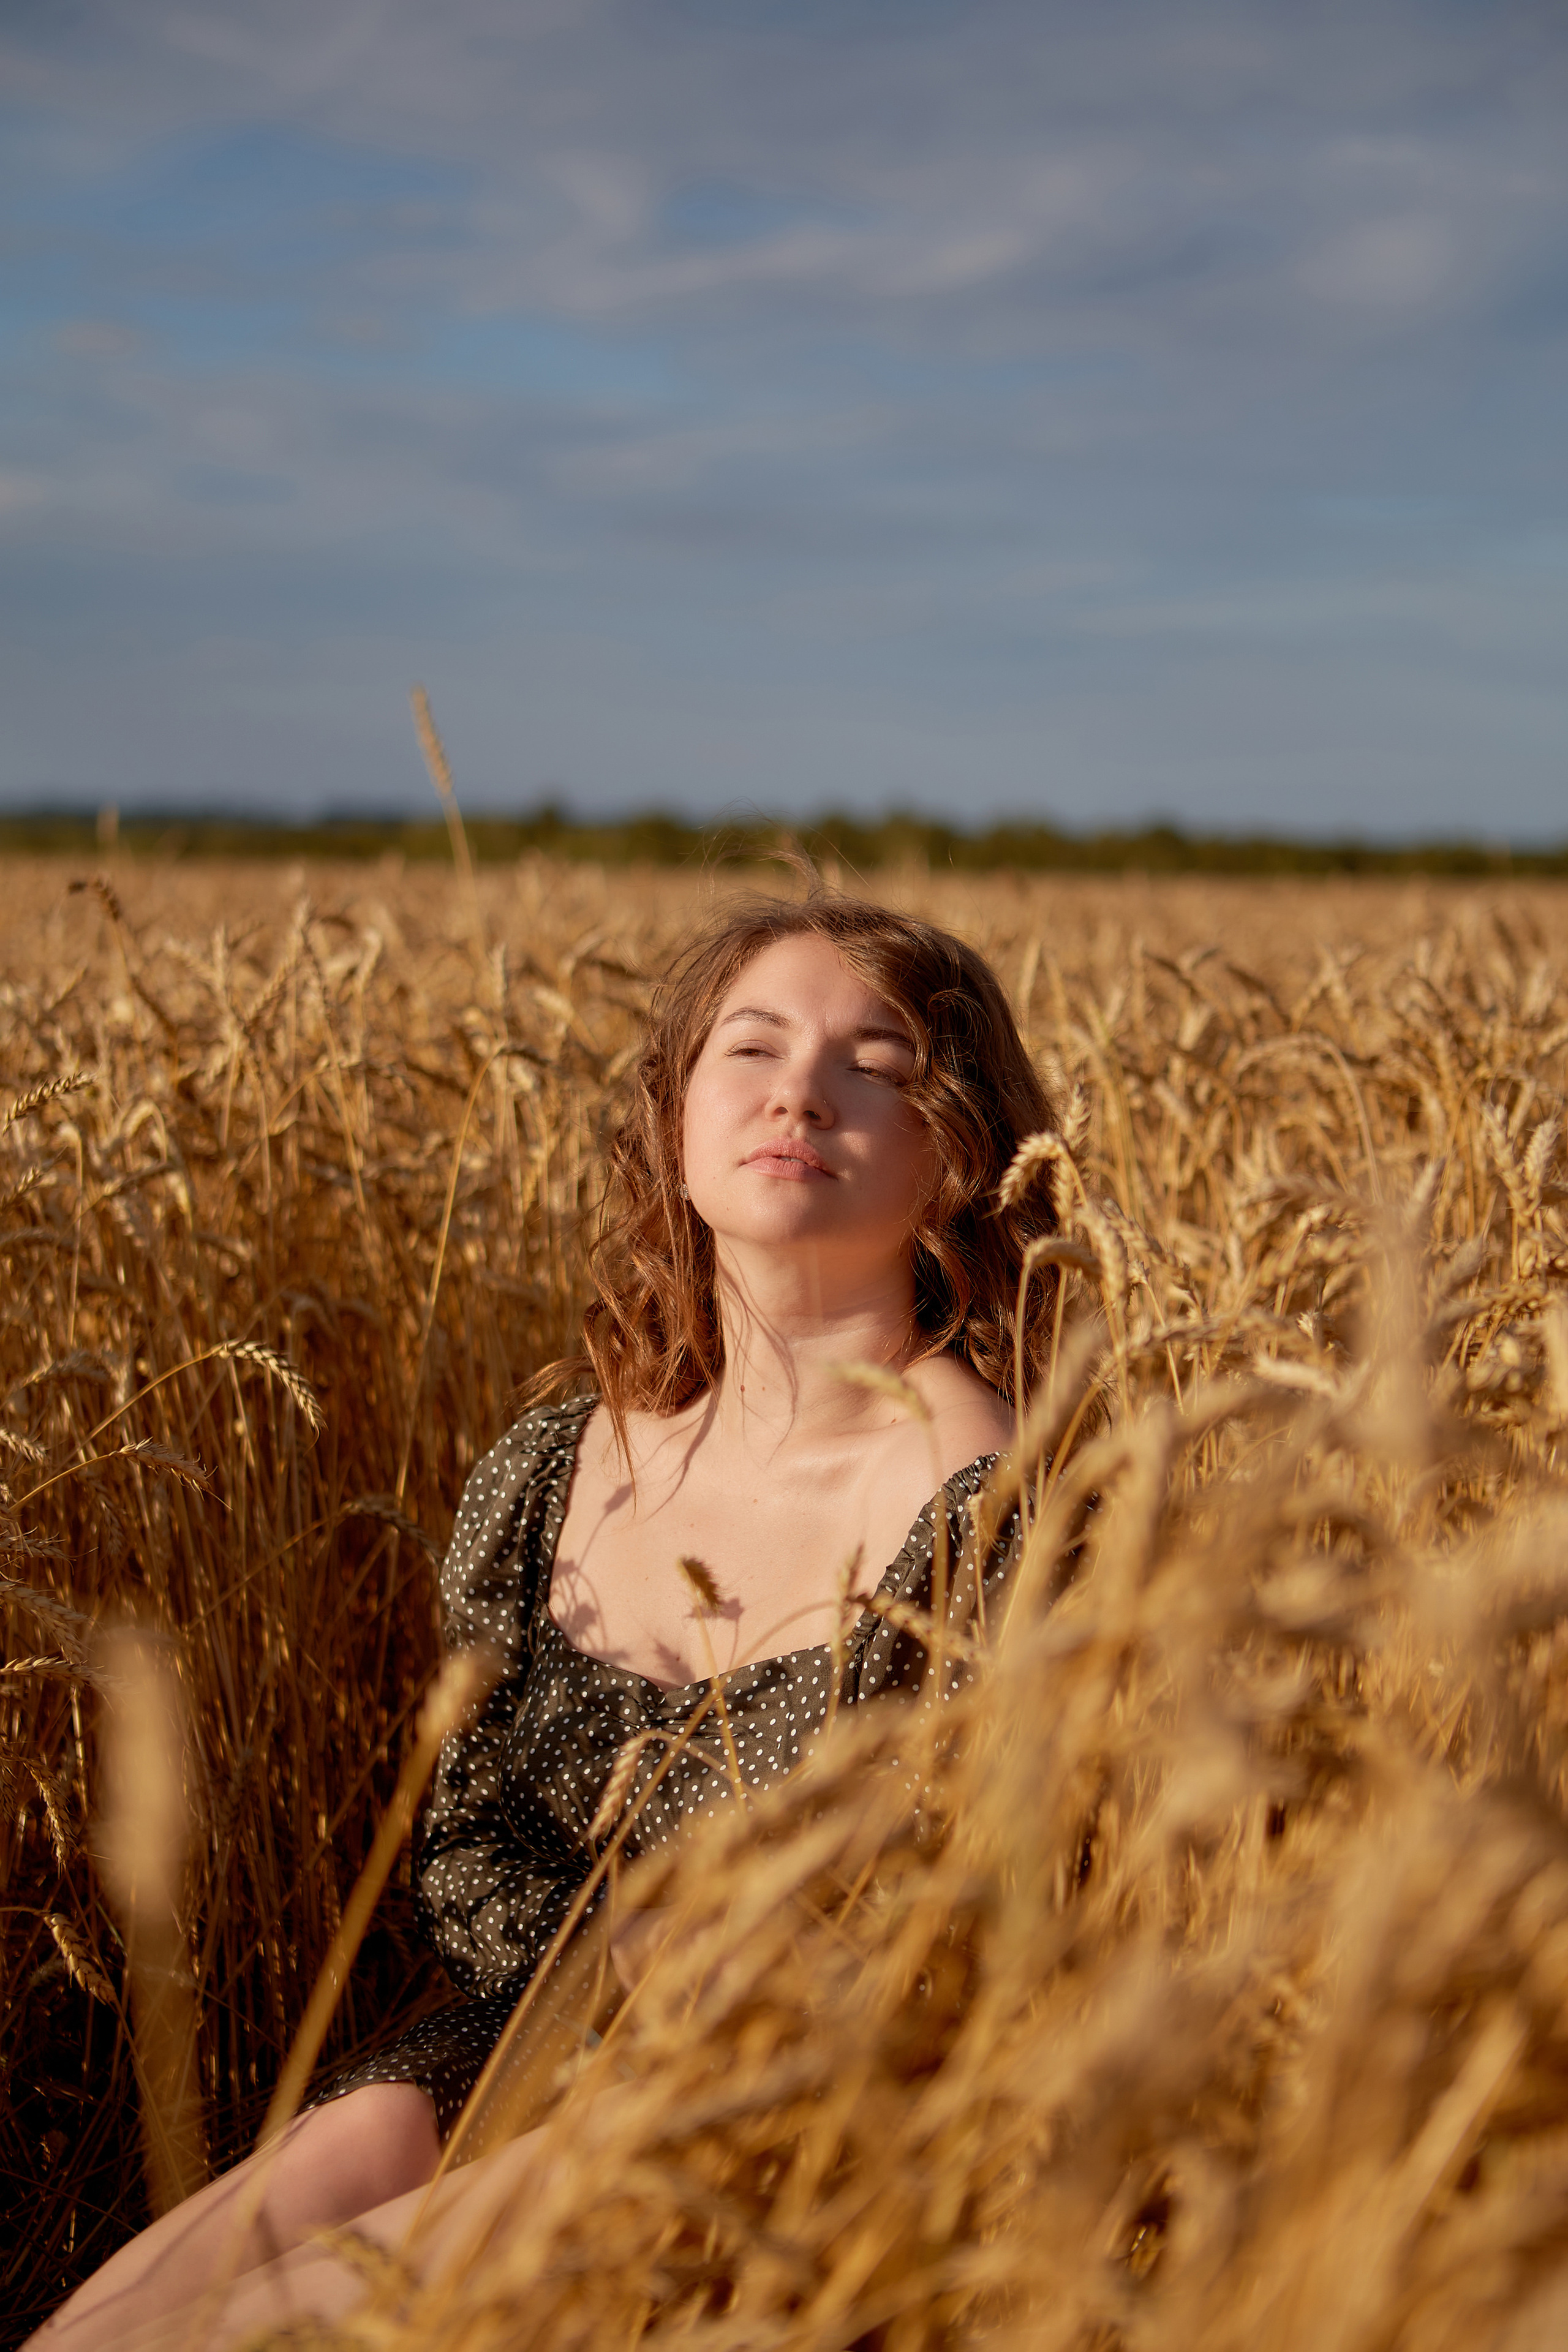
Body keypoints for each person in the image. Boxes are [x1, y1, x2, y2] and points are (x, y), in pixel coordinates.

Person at [32, 889, 1060, 2349]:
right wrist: (588, 1991)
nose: (798, 1092)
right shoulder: (549, 1474)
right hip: (512, 2042)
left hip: (782, 2112)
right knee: (124, 2319)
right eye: (748, 1047)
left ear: (958, 1146)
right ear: (674, 1116)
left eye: (874, 1065)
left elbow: (977, 1924)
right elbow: (465, 1851)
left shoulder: (997, 1498)